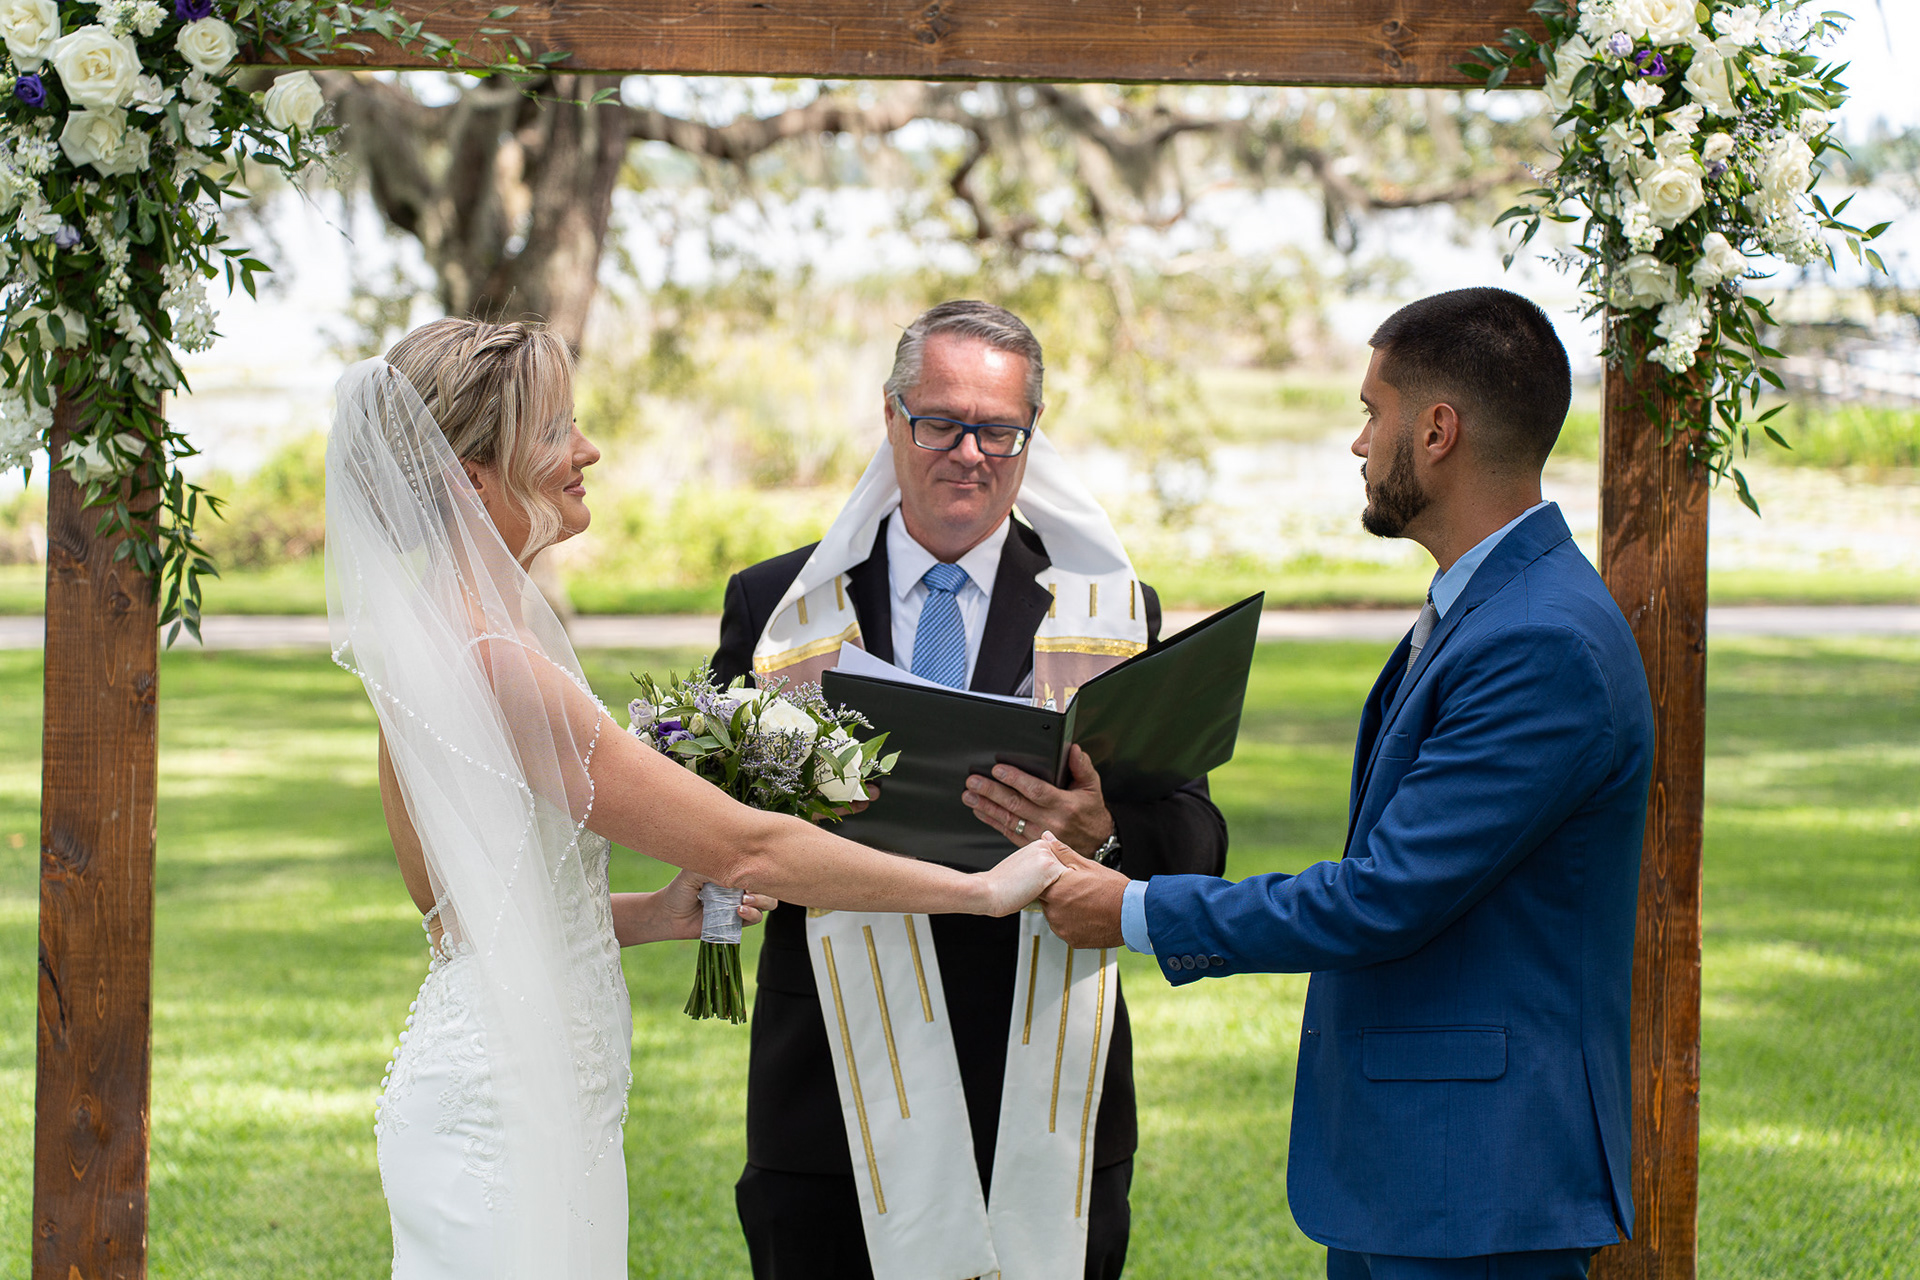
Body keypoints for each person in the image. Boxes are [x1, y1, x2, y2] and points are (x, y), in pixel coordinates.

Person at [326, 317, 1068, 1280]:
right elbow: (751, 849)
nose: (586, 450)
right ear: (472, 480)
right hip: (506, 1110)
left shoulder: (434, 646)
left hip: (517, 1082)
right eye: (553, 431)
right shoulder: (494, 664)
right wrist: (981, 889)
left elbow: (460, 917)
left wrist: (656, 914)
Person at [1040, 287, 1657, 1280]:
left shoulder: (1538, 639)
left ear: (1438, 431)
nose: (1359, 443)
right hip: (1416, 1163)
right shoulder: (1489, 606)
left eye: (1374, 412)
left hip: (1480, 1179)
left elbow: (1386, 894)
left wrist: (1137, 909)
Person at [711, 300, 1229, 1280]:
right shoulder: (779, 605)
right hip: (832, 1078)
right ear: (891, 415)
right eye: (940, 422)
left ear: (1033, 434)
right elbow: (714, 820)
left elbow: (1197, 841)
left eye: (999, 430)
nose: (969, 453)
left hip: (1040, 1069)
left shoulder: (1109, 610)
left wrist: (1100, 829)